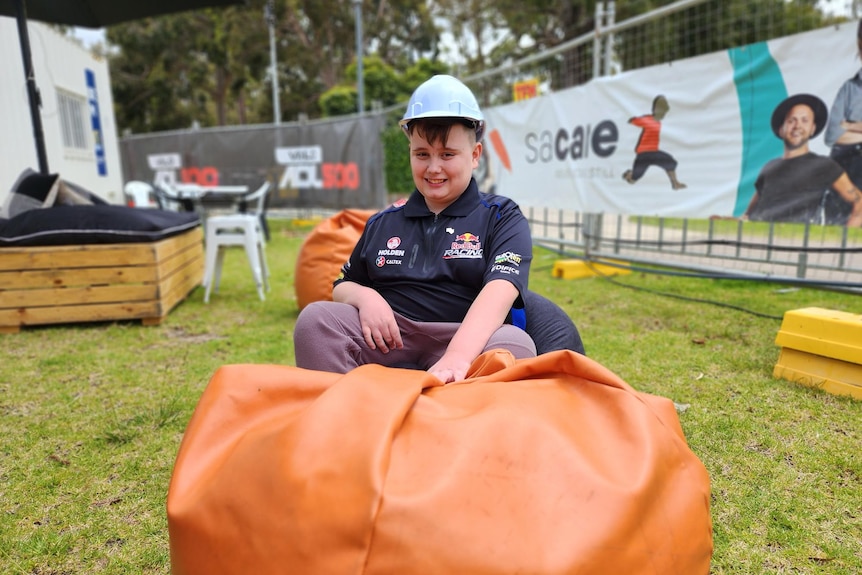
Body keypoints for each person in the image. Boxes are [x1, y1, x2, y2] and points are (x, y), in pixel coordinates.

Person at [294, 75, 537, 383]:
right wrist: (366, 298)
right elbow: (343, 284)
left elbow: (500, 289)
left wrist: (457, 356)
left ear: (475, 155)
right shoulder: (384, 221)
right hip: (388, 338)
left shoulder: (502, 216)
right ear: (410, 153)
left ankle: (461, 423)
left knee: (515, 346)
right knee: (315, 321)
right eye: (422, 154)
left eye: (447, 154)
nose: (433, 167)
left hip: (464, 336)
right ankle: (347, 416)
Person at [743, 94, 862, 226]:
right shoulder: (769, 167)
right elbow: (748, 215)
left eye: (804, 120)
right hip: (763, 241)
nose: (797, 126)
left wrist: (842, 241)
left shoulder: (824, 165)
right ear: (781, 130)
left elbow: (859, 202)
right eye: (791, 120)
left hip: (799, 243)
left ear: (812, 129)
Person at [825, 20, 862, 225]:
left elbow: (842, 130)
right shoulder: (849, 89)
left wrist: (851, 125)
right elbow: (832, 136)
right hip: (850, 173)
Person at [622, 95, 687, 190]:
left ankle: (675, 184)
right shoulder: (647, 119)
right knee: (634, 179)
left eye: (664, 112)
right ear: (655, 110)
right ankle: (629, 175)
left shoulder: (658, 123)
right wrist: (633, 121)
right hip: (643, 153)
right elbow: (632, 121)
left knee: (670, 162)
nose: (663, 114)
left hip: (654, 151)